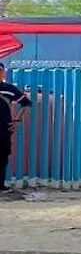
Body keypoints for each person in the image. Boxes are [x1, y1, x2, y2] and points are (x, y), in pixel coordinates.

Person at [0, 64, 31, 192]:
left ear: (3, 73)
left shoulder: (9, 89)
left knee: (2, 156)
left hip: (4, 128)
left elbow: (26, 104)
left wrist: (17, 119)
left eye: (0, 70)